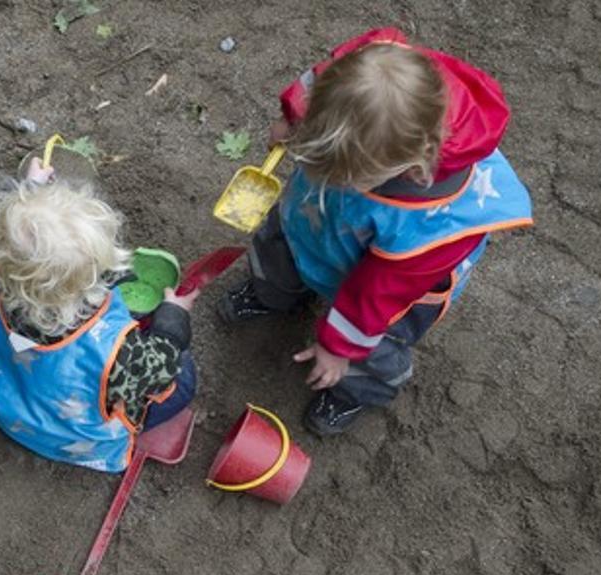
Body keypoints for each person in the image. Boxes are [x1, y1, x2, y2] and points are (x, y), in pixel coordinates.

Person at [218, 28, 533, 435]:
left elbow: (372, 297)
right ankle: (274, 292)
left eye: (343, 173)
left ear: (414, 167)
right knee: (281, 241)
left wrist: (338, 348)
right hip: (318, 219)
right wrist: (293, 115)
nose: (326, 174)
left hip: (386, 295)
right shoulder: (369, 70)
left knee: (372, 346)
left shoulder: (428, 228)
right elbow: (318, 81)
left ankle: (356, 388)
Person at [0, 158, 197, 472]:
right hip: (74, 441)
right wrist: (172, 324)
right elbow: (157, 372)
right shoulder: (115, 353)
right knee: (184, 377)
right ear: (90, 285)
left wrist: (30, 190)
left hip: (8, 407)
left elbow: (7, 245)